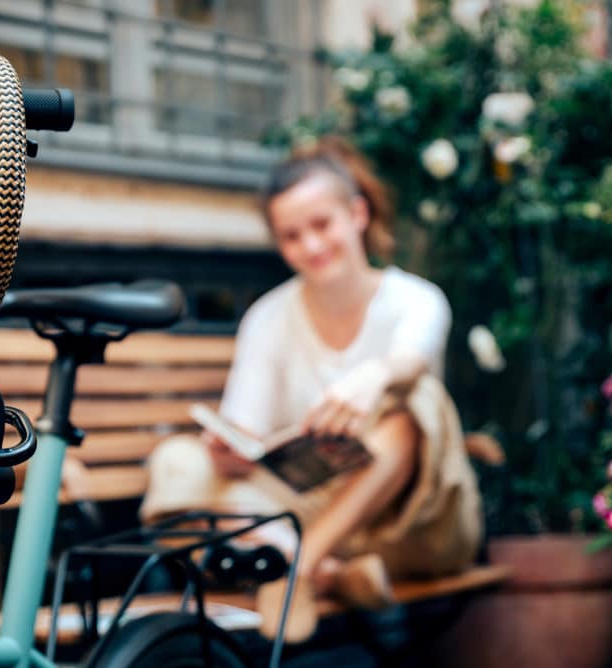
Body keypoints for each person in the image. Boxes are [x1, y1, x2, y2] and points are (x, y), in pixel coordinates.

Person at [140, 135, 483, 642]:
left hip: (414, 527)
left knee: (420, 406)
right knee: (177, 463)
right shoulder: (269, 317)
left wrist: (376, 376)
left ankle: (299, 567)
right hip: (308, 516)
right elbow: (246, 431)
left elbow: (412, 361)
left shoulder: (417, 299)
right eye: (292, 236)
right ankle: (331, 575)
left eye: (322, 225)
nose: (313, 247)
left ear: (358, 215)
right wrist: (231, 453)